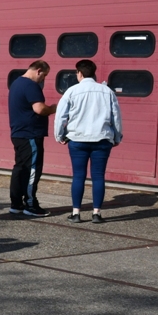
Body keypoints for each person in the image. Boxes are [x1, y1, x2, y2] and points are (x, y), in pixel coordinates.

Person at [54, 59, 122, 224]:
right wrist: (117, 137)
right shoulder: (107, 92)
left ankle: (76, 213)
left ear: (79, 73)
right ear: (94, 73)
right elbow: (116, 117)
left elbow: (60, 116)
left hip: (77, 139)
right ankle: (96, 213)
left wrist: (59, 136)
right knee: (98, 176)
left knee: (78, 175)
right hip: (102, 139)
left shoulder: (72, 91)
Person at [8, 60, 57, 217]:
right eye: (44, 75)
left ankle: (16, 203)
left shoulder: (16, 83)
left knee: (20, 168)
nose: (43, 79)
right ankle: (30, 204)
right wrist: (54, 108)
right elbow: (39, 109)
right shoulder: (31, 85)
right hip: (30, 134)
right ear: (38, 70)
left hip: (19, 133)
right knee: (32, 169)